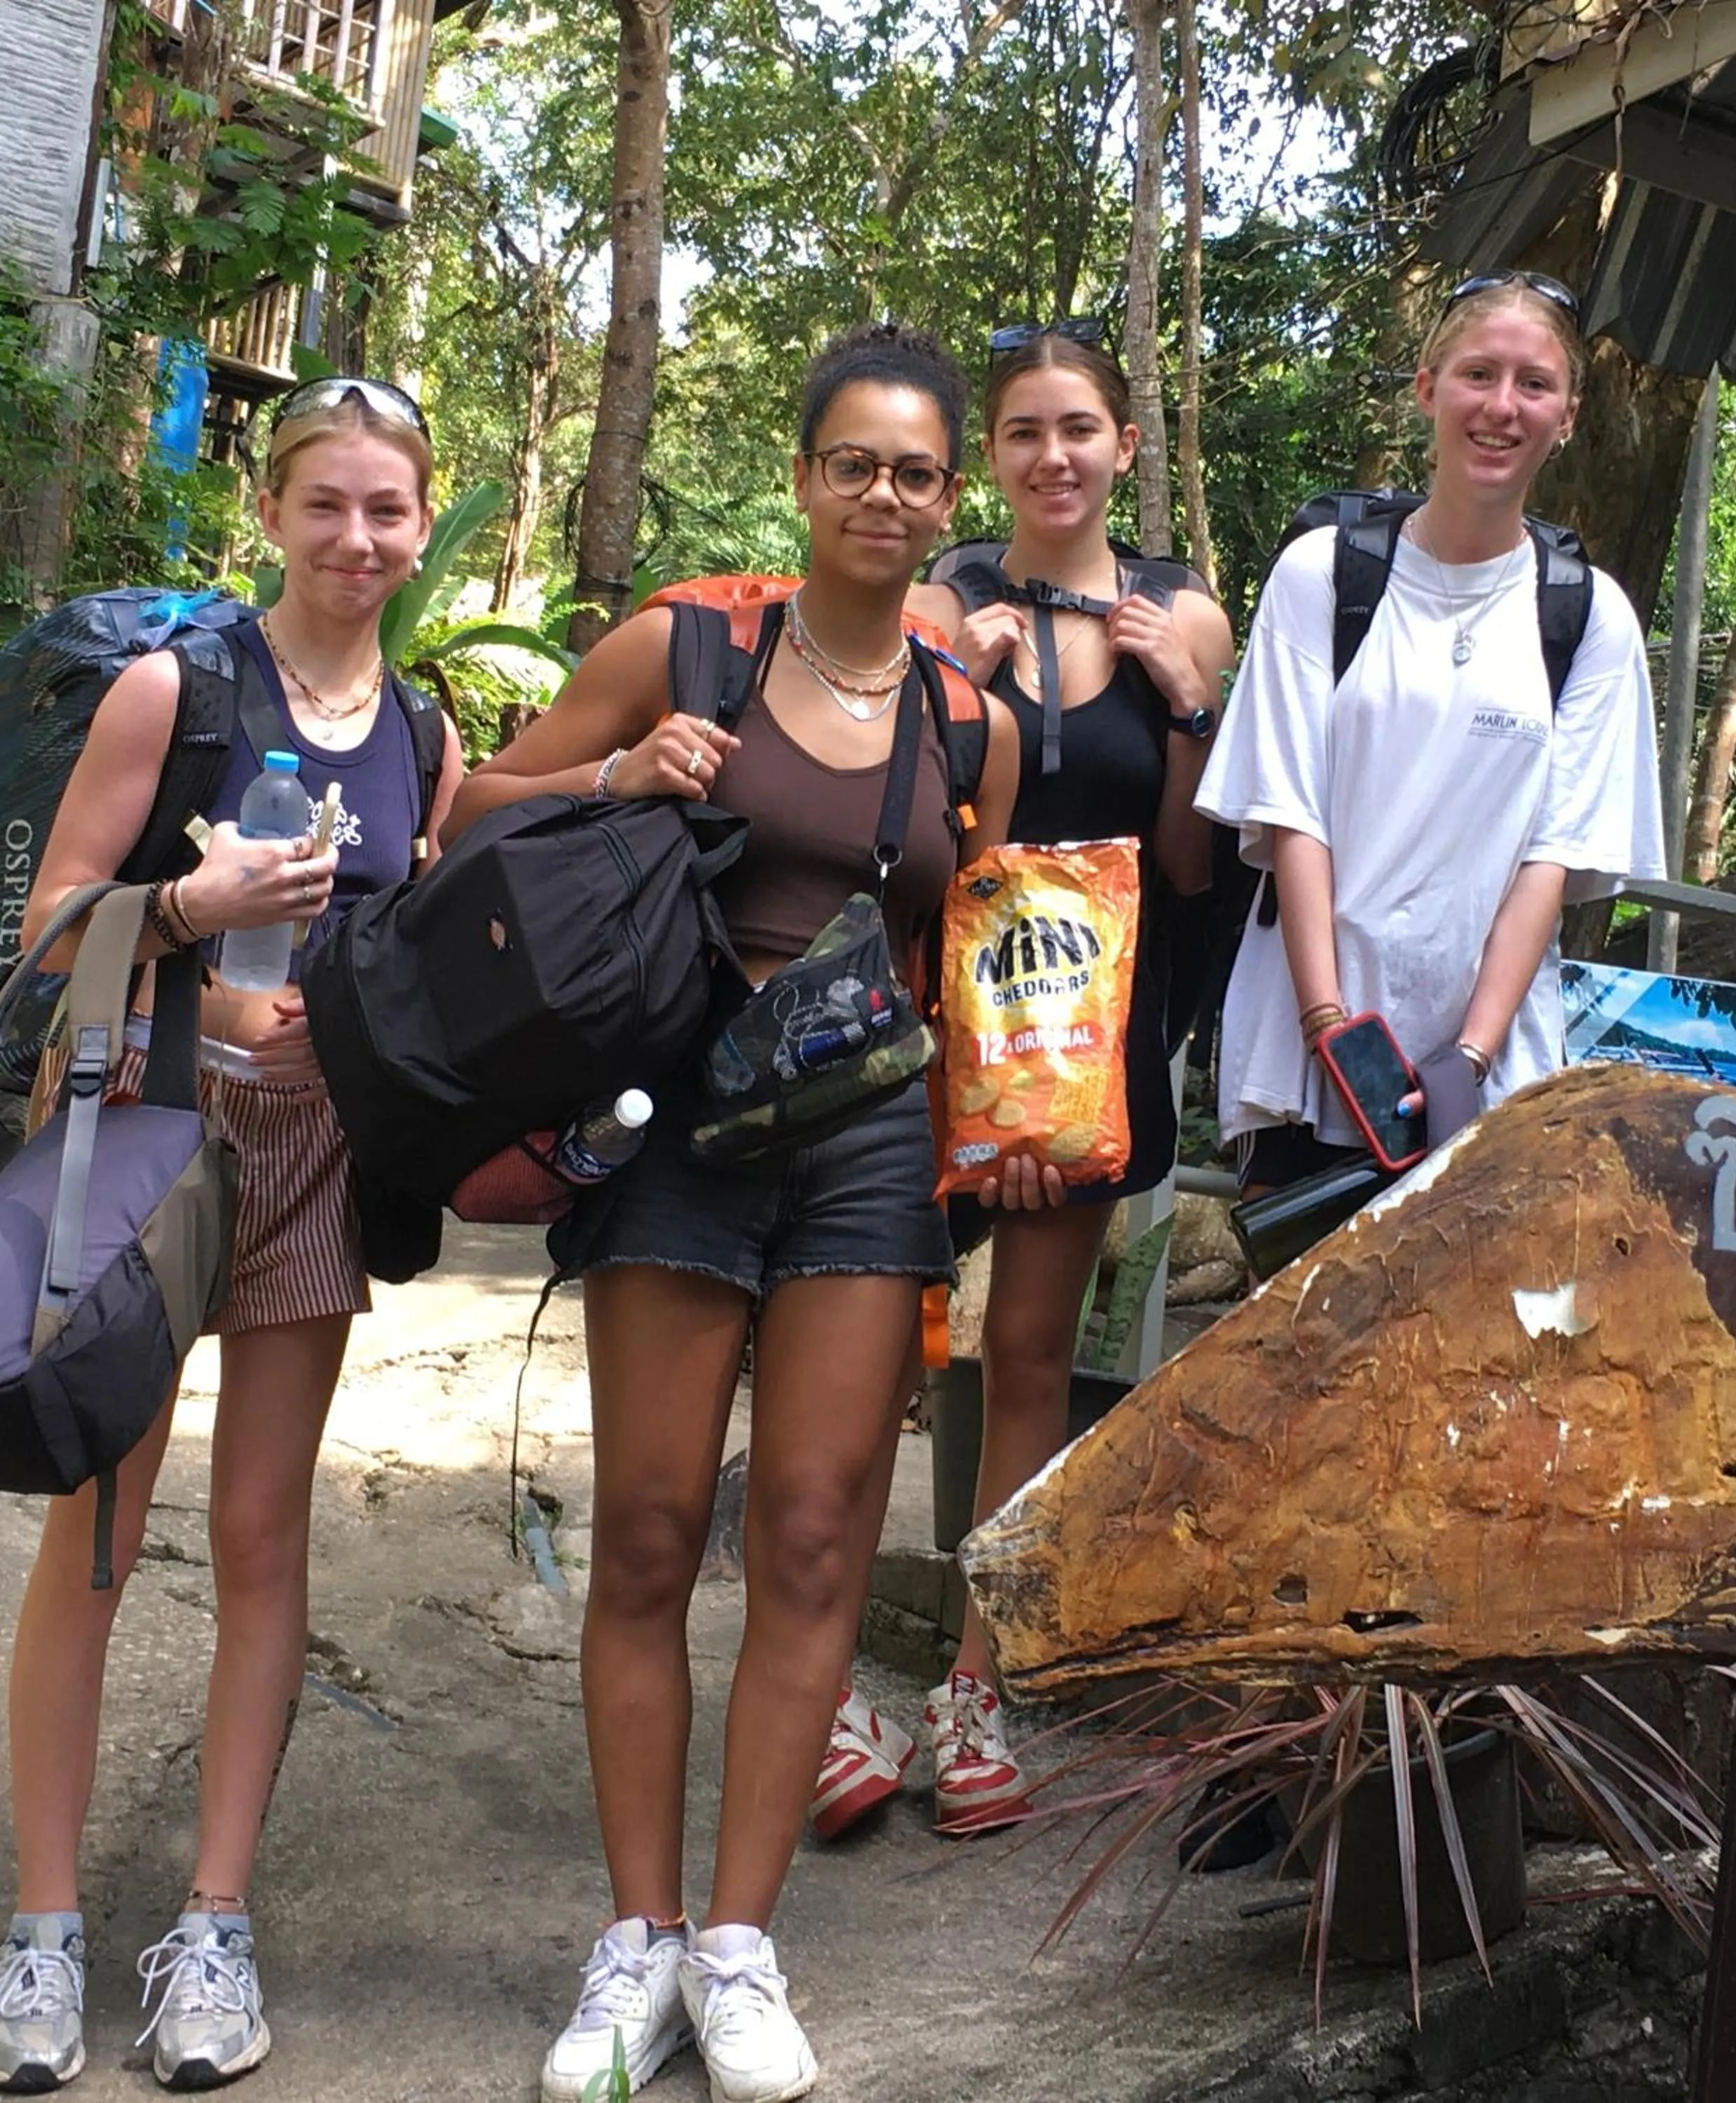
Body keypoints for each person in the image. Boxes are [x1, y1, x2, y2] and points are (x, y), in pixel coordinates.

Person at [442, 322, 1018, 2103]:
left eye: (917, 471)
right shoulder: (683, 649)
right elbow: (471, 816)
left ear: (946, 504)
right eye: (854, 460)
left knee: (822, 1534)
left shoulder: (966, 717)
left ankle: (738, 1947)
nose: (883, 493)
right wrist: (617, 776)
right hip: (681, 1117)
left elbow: (966, 929)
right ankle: (634, 1944)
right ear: (806, 475)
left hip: (861, 1143)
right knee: (649, 1531)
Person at [0, 376, 462, 2092]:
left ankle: (214, 1924)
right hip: (141, 1140)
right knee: (99, 1535)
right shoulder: (173, 687)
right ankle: (41, 1932)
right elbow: (48, 933)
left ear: (424, 525)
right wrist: (192, 910)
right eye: (326, 504)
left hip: (313, 1157)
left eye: (388, 511)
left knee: (265, 1541)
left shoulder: (422, 730)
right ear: (273, 512)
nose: (357, 539)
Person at [808, 324, 1233, 1843]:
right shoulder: (945, 596)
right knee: (873, 1364)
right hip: (928, 1038)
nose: (1053, 457)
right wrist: (946, 685)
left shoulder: (1185, 609)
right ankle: (837, 1684)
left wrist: (1188, 702)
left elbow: (1192, 860)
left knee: (1031, 1361)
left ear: (1122, 443)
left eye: (1079, 429)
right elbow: (885, 826)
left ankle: (981, 1689)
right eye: (1022, 434)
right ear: (988, 459)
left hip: (1084, 1042)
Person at [1198, 268, 1665, 1200]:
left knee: (1471, 1347)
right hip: (1306, 1063)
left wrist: (1469, 1056)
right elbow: (1291, 812)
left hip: (1490, 1070)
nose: (1502, 406)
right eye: (1478, 375)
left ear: (1566, 414)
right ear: (1428, 389)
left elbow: (1553, 855)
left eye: (1534, 384)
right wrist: (1327, 1022)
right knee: (1300, 1342)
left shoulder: (1589, 616)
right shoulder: (1320, 578)